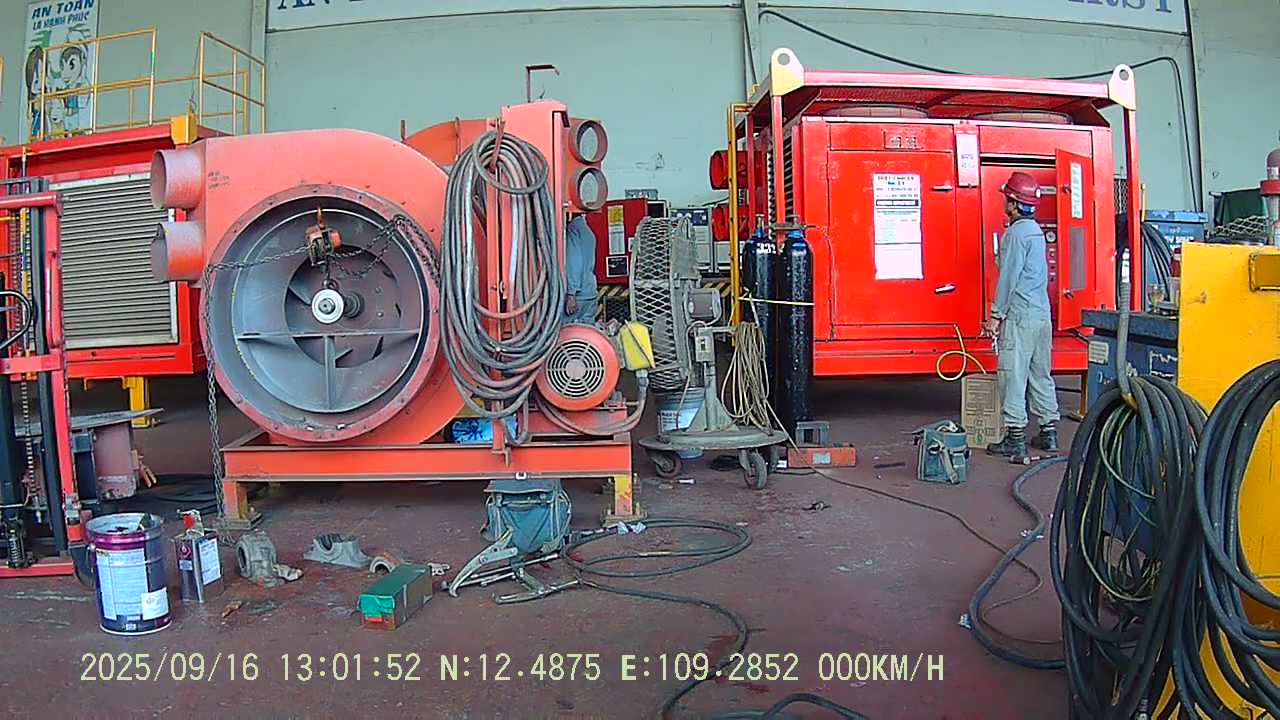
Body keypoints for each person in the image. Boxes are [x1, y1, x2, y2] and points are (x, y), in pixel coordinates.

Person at [984, 171, 1060, 459]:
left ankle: (1015, 437)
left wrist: (996, 315)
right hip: (1041, 315)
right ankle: (1048, 432)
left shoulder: (1015, 234)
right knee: (1040, 374)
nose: (1004, 203)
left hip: (1021, 316)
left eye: (1007, 198)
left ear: (1014, 204)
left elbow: (1008, 278)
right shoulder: (1036, 232)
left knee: (1013, 374)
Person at [563, 213, 599, 325]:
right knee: (587, 331)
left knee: (568, 333)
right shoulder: (587, 231)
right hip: (589, 291)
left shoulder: (572, 230)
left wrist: (571, 293)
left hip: (578, 296)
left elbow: (574, 262)